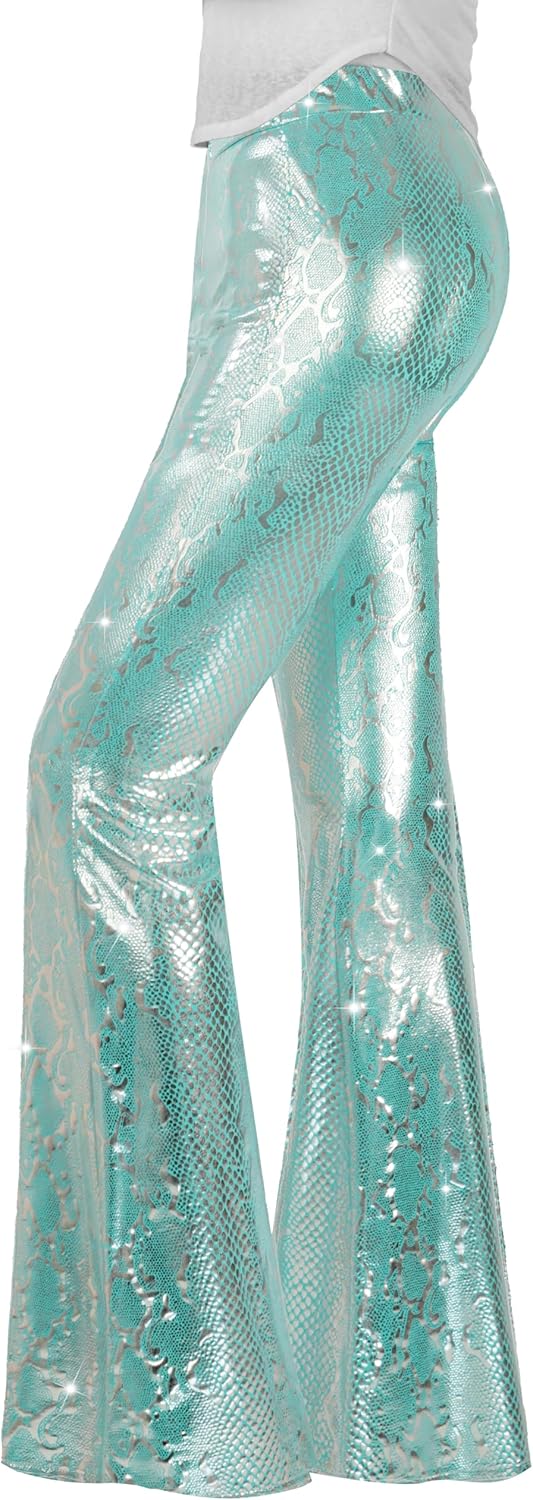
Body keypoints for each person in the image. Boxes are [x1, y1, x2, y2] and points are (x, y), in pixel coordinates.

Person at [1, 2, 530, 1491]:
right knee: (376, 810)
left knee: (107, 772)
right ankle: (405, 1395)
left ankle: (184, 1412)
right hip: (425, 206)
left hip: (324, 200)